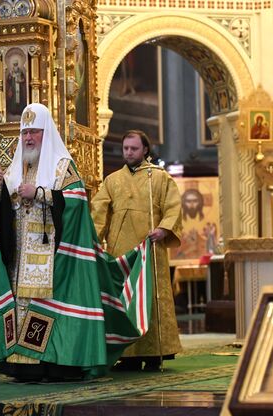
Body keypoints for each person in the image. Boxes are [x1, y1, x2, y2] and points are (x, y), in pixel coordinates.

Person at [0, 104, 153, 381]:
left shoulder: (62, 167)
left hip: (53, 256)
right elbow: (5, 210)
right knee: (21, 305)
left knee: (48, 307)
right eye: (24, 132)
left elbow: (77, 200)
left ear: (46, 132)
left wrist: (40, 193)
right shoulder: (16, 166)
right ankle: (22, 364)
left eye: (34, 131)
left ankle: (53, 363)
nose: (28, 138)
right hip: (20, 256)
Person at [91, 129, 182, 371]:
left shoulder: (160, 178)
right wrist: (93, 240)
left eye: (133, 148)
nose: (128, 152)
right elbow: (99, 214)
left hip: (150, 248)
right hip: (122, 251)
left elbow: (173, 207)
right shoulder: (111, 181)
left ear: (145, 150)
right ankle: (128, 354)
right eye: (125, 148)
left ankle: (155, 353)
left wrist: (164, 229)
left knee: (151, 299)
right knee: (125, 300)